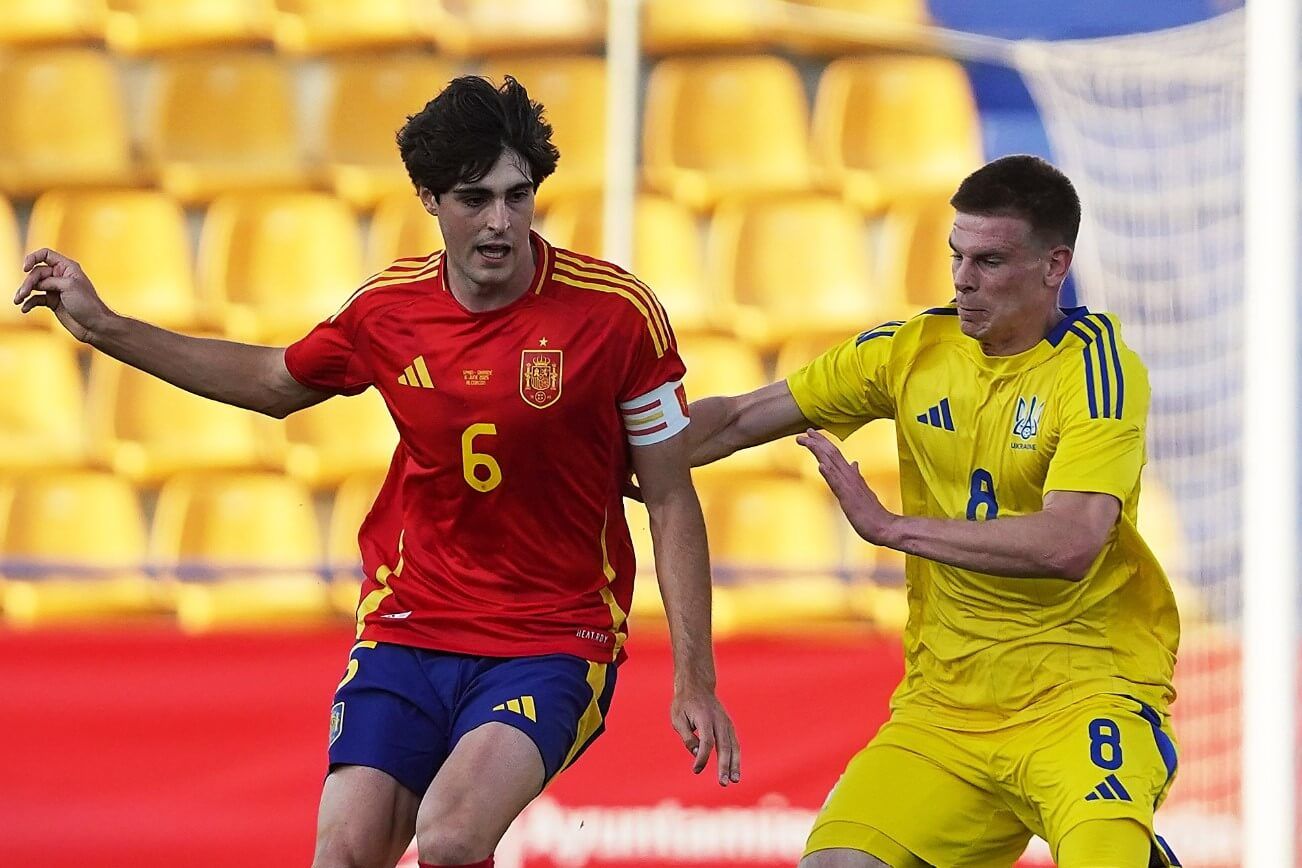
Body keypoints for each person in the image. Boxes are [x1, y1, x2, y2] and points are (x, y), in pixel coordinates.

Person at [14, 75, 740, 868]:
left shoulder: (614, 313)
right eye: (475, 199)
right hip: (411, 621)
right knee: (345, 852)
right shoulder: (387, 311)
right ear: (429, 199)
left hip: (552, 634)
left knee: (455, 836)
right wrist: (105, 328)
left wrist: (693, 678)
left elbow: (670, 498)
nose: (502, 222)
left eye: (518, 195)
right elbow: (269, 384)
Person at [686, 155, 1180, 868]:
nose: (962, 278)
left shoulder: (1098, 370)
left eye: (990, 260)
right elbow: (734, 421)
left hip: (1084, 698)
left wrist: (891, 529)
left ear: (1054, 267)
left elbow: (1070, 544)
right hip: (946, 709)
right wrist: (606, 457)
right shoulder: (910, 351)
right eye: (956, 255)